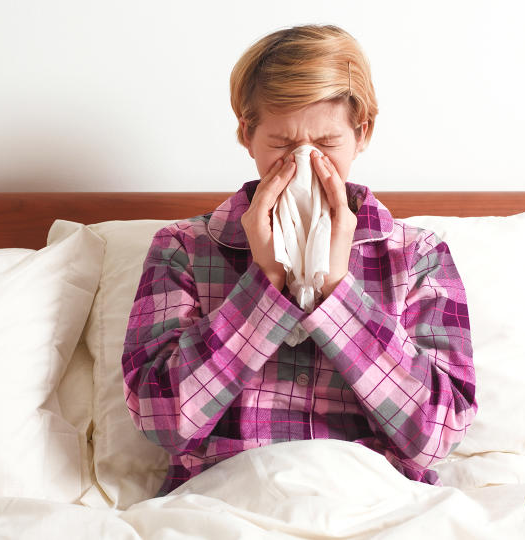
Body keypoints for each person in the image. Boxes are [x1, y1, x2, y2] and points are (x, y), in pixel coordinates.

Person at [121, 24, 477, 497]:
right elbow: (162, 421)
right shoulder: (184, 248)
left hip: (375, 501)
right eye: (283, 146)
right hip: (227, 502)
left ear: (362, 133)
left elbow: (437, 436)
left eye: (326, 144)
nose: (305, 164)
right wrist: (265, 284)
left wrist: (335, 292)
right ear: (247, 135)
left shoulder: (417, 257)